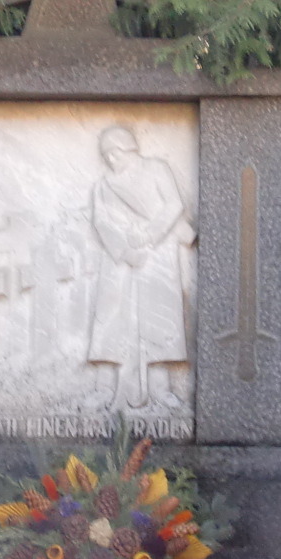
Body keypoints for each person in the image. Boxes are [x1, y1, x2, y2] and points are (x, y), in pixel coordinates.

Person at [87, 125, 195, 410]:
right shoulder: (104, 185)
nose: (111, 159)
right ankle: (104, 389)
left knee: (159, 320)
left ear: (129, 148)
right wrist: (125, 251)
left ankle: (162, 389)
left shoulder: (157, 169)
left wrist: (149, 234)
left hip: (157, 255)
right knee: (110, 322)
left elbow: (174, 204)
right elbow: (101, 222)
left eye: (115, 153)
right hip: (119, 260)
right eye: (106, 155)